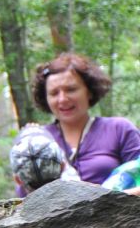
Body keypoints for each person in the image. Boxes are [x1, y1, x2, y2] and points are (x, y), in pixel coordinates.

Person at [32, 53, 140, 186]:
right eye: (54, 93)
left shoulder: (119, 129)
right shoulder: (37, 140)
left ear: (89, 91)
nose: (62, 99)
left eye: (71, 90)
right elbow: (24, 198)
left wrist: (108, 198)